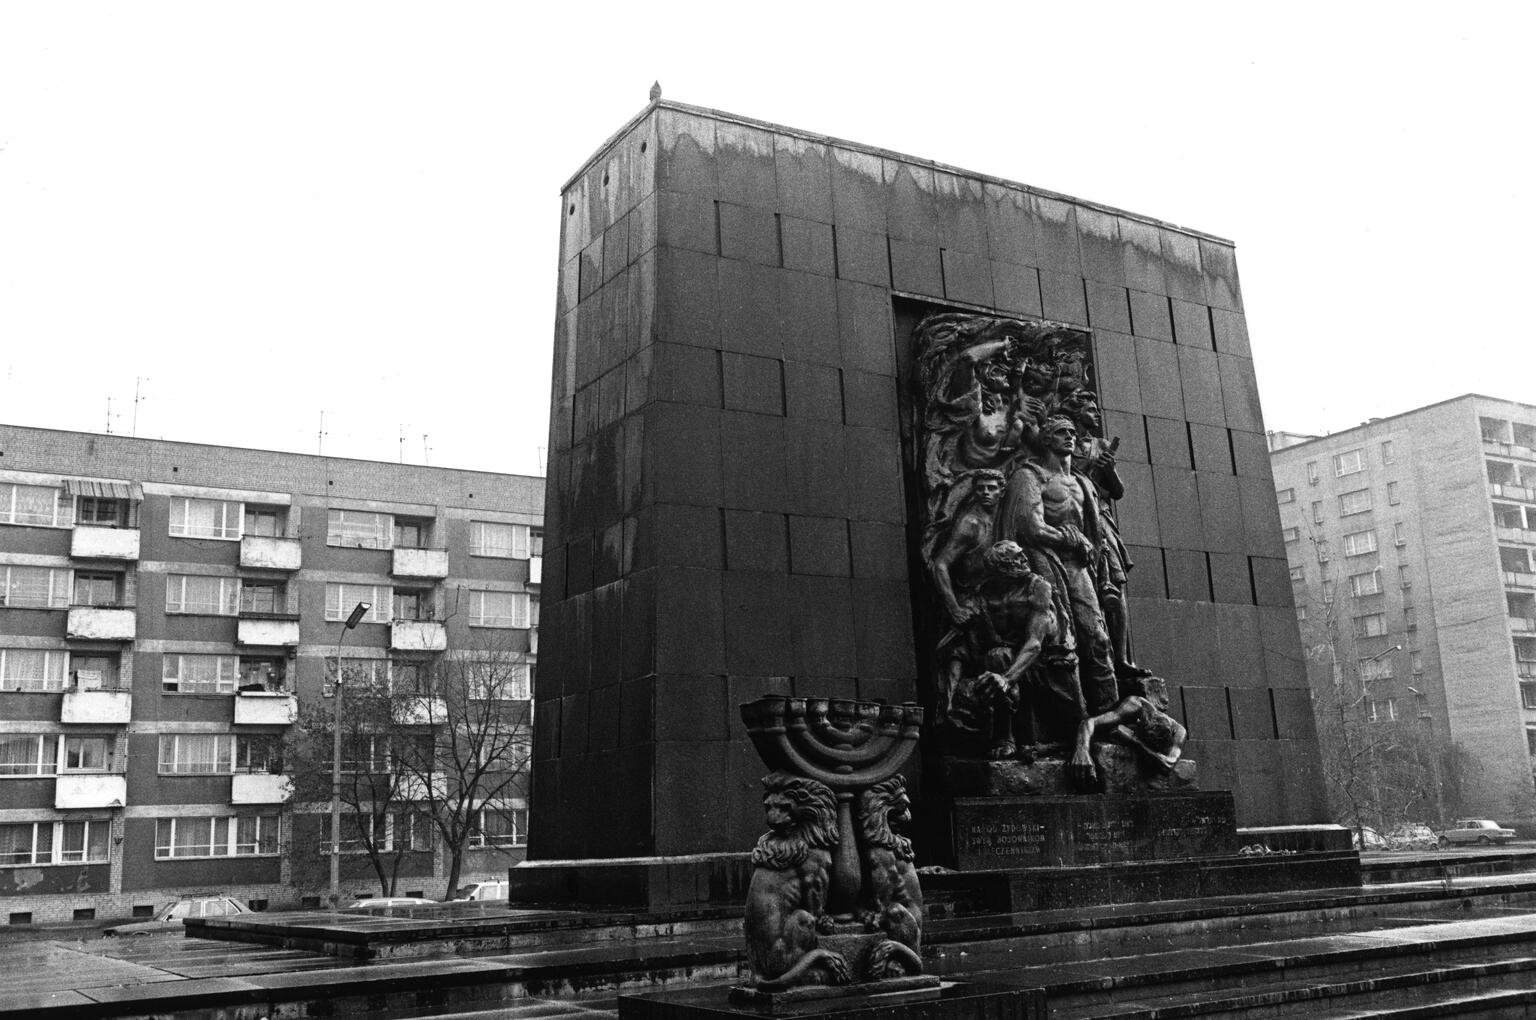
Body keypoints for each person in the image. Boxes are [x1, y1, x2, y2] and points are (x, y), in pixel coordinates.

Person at [999, 415, 1118, 723]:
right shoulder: (1030, 475)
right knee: (1059, 641)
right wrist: (1069, 537)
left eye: (1072, 432)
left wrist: (1098, 565)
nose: (1070, 437)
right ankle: (1065, 722)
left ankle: (1108, 715)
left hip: (1080, 566)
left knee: (1099, 639)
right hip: (1044, 560)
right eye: (1061, 432)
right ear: (1046, 439)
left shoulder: (1083, 482)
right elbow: (1029, 526)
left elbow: (1095, 534)